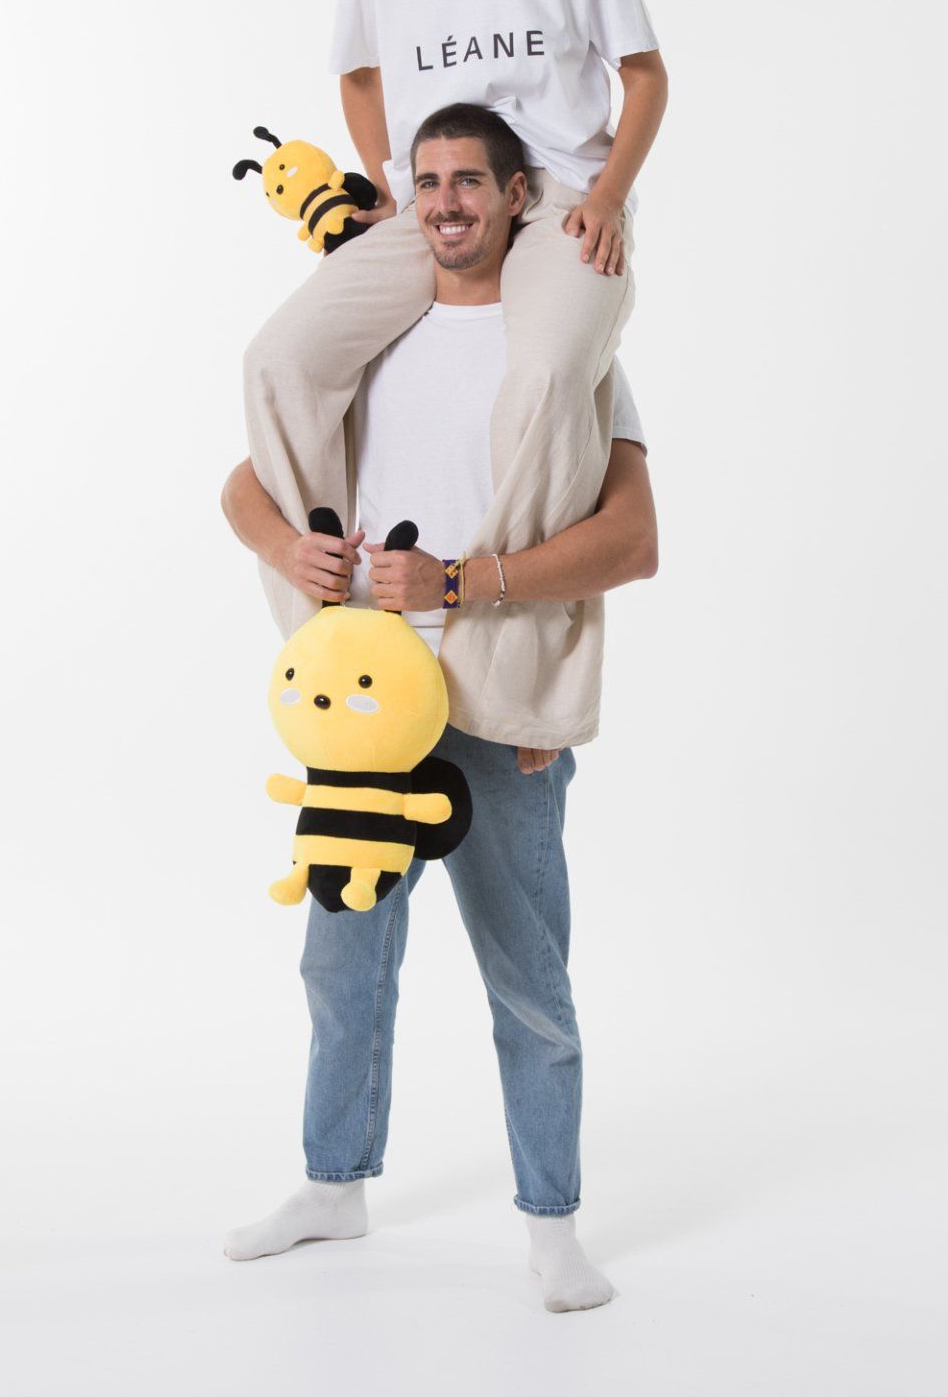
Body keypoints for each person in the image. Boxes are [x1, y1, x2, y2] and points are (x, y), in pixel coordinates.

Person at [221, 106, 658, 1313]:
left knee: (528, 979)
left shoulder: (569, 350)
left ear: (520, 197)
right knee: (342, 961)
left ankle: (553, 1224)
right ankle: (333, 1184)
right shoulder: (374, 333)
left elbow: (633, 541)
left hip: (501, 710)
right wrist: (291, 550)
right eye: (427, 182)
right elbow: (244, 487)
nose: (447, 202)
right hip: (367, 703)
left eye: (471, 180)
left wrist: (463, 583)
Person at [244, 0, 668, 755]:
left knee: (548, 377)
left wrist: (606, 197)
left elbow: (644, 75)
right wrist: (394, 186)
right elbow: (359, 74)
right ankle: (328, 638)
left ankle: (516, 686)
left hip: (558, 194)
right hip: (436, 196)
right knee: (281, 361)